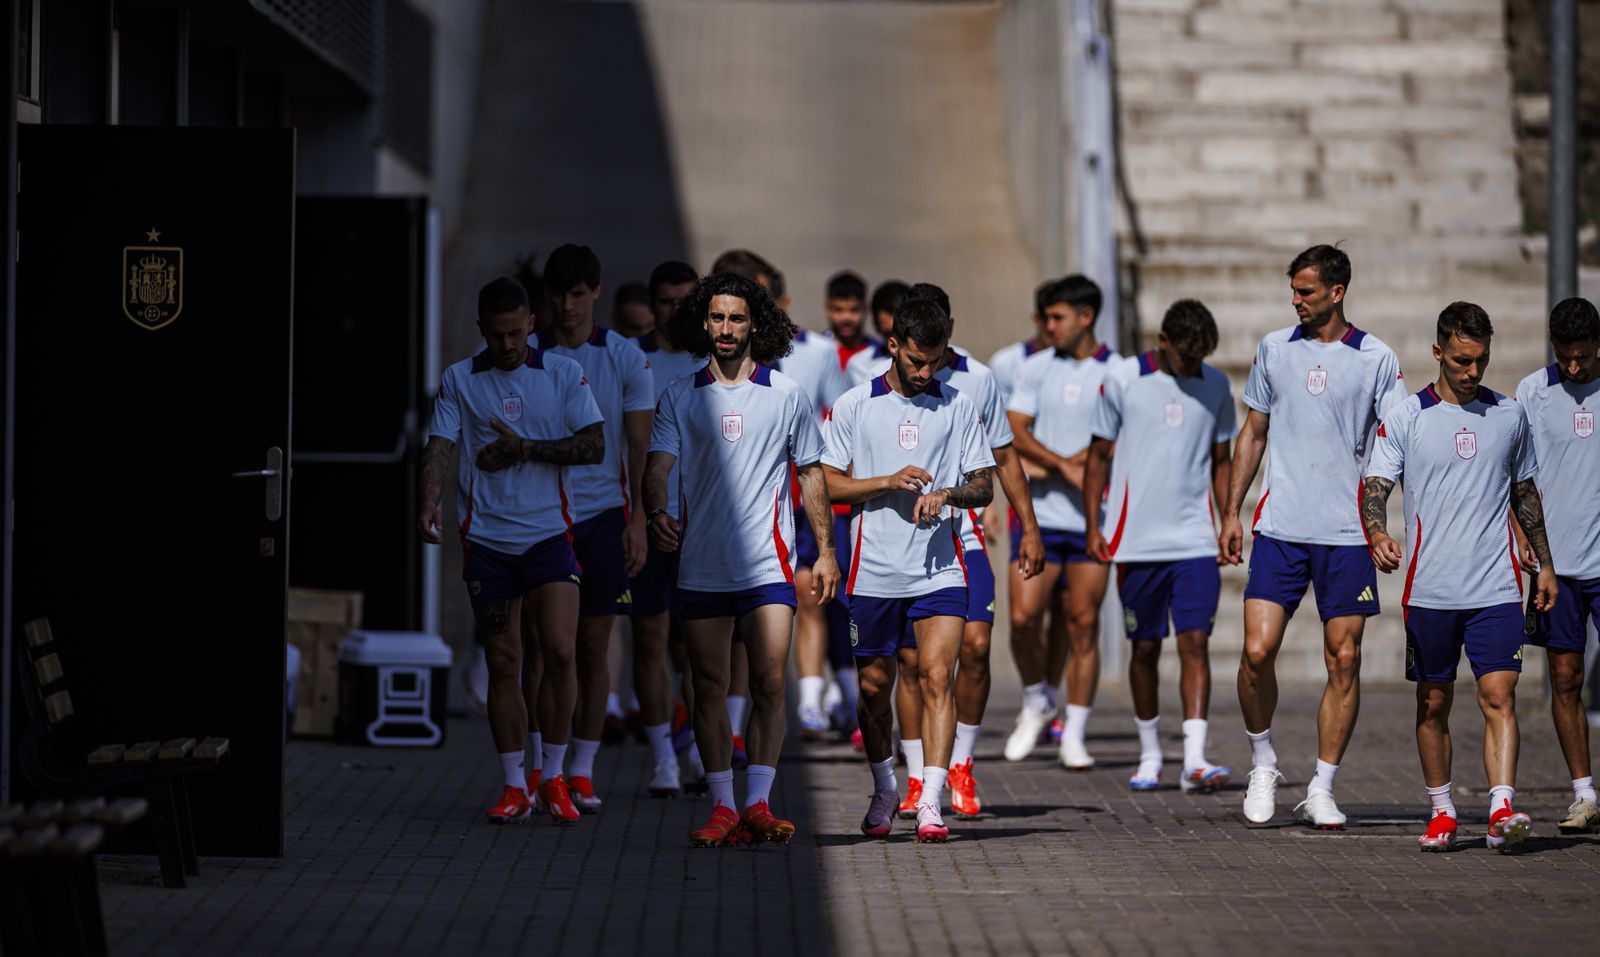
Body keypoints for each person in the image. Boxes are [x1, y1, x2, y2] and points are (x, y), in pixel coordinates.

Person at [645, 272, 839, 847]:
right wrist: (655, 510)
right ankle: (723, 806)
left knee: (770, 682)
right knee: (706, 685)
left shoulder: (786, 395)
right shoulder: (681, 395)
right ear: (702, 323)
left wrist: (825, 551)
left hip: (768, 567)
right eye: (717, 318)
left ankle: (757, 801)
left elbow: (811, 475)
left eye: (736, 318)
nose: (726, 329)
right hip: (701, 565)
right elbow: (657, 468)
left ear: (757, 323)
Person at [1219, 245, 1407, 828]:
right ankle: (1262, 760)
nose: (1295, 300)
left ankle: (1322, 786)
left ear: (1337, 292)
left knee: (1344, 659)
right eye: (1292, 290)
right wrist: (1231, 512)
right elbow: (1252, 434)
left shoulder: (1376, 358)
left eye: (1305, 291)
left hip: (1348, 535)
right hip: (1281, 529)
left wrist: (1379, 523)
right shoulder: (1274, 349)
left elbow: (1395, 446)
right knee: (1255, 653)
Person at [1362, 301, 1557, 852]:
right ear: (1438, 352)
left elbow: (1525, 494)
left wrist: (1544, 564)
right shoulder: (1406, 418)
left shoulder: (1509, 415)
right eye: (1462, 361)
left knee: (1500, 696)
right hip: (1430, 590)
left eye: (1481, 361)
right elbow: (1375, 486)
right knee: (1433, 702)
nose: (1473, 373)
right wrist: (1377, 533)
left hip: (1496, 585)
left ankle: (1500, 808)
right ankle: (1443, 810)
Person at [855, 282, 1043, 819]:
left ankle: (960, 762)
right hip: (895, 550)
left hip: (963, 539)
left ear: (951, 330)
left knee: (976, 650)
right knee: (912, 667)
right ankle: (917, 778)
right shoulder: (874, 383)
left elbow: (1003, 459)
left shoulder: (978, 381)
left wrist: (1029, 525)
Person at [418, 277, 601, 824]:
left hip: (548, 537)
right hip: (488, 543)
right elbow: (439, 447)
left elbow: (594, 445)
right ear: (482, 330)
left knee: (561, 653)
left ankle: (555, 777)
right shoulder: (459, 379)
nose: (506, 346)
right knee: (505, 661)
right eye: (496, 336)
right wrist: (427, 501)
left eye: (516, 333)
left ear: (531, 326)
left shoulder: (562, 373)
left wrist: (524, 449)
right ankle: (514, 785)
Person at [824, 297, 996, 843]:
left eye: (936, 361)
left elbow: (984, 483)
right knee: (874, 688)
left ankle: (931, 800)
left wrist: (948, 493)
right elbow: (825, 483)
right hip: (873, 572)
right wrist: (886, 481)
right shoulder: (855, 405)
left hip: (940, 569)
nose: (926, 373)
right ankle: (884, 786)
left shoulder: (959, 406)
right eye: (917, 361)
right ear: (894, 346)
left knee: (937, 677)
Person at [1083, 300, 1236, 793]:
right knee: (1144, 647)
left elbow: (1221, 459)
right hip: (1135, 541)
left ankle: (1194, 758)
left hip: (1194, 537)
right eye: (1185, 358)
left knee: (1195, 642)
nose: (1193, 368)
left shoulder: (1216, 386)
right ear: (1162, 343)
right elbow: (1098, 456)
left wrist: (1229, 517)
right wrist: (1093, 525)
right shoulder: (1123, 378)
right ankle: (1150, 753)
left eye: (1200, 360)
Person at [531, 244, 654, 813]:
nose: (567, 305)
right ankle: (539, 765)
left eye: (578, 294)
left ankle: (580, 770)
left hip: (604, 516)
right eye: (559, 294)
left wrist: (638, 521)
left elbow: (640, 446)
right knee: (541, 650)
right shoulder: (526, 353)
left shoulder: (625, 357)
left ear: (595, 291)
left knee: (592, 647)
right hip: (539, 519)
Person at [1004, 275, 1117, 767]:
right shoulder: (1034, 367)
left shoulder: (1118, 372)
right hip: (1041, 515)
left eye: (1058, 317)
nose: (1048, 326)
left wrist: (1087, 467)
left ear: (1086, 317)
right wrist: (1065, 465)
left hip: (1095, 518)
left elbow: (1122, 439)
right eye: (1046, 317)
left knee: (1083, 624)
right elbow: (1014, 431)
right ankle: (1036, 700)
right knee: (1024, 617)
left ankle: (1074, 730)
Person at [1514, 297, 1600, 834]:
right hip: (1557, 567)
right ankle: (1584, 794)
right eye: (1565, 356)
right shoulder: (1531, 393)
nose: (1574, 366)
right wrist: (1525, 539)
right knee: (1565, 678)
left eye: (1584, 356)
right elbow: (1514, 475)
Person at [627, 260, 701, 797]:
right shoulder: (634, 359)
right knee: (649, 640)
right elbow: (626, 449)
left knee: (700, 647)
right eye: (666, 301)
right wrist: (640, 515)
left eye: (684, 300)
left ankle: (698, 748)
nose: (675, 310)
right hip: (651, 522)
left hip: (705, 526)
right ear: (652, 305)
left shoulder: (714, 360)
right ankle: (662, 760)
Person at [843, 280, 909, 388]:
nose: (895, 341)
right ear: (875, 324)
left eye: (901, 333)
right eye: (888, 334)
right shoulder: (858, 365)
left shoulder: (932, 361)